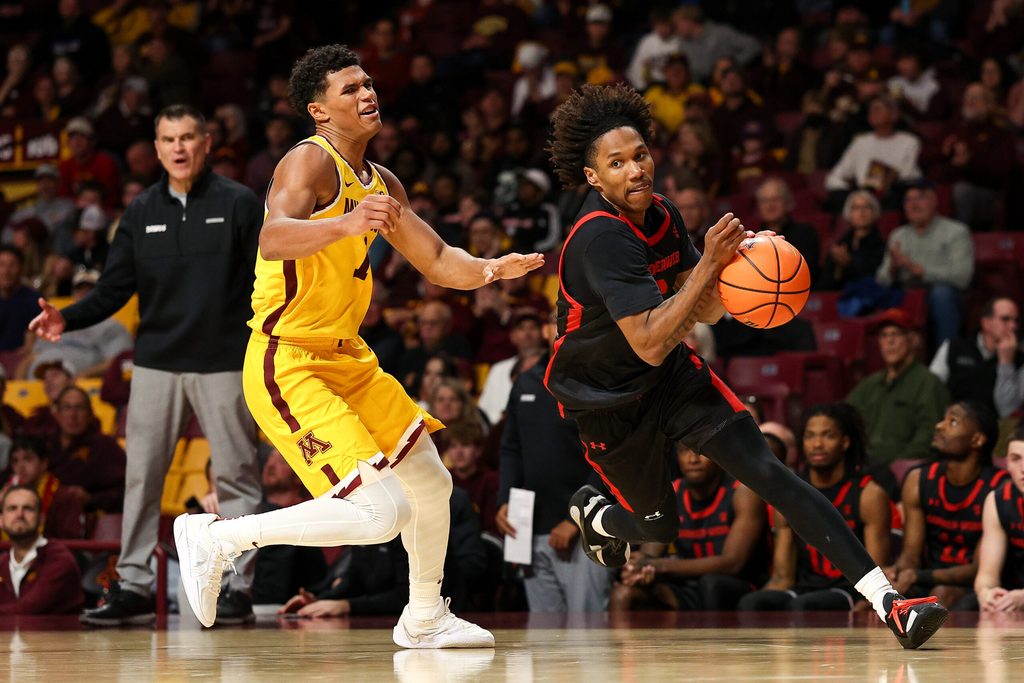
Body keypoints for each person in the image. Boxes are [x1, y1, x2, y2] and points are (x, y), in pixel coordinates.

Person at [545, 83, 945, 648]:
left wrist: (742, 268)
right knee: (660, 527)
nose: (635, 170)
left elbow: (701, 308)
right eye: (617, 163)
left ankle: (891, 604)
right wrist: (711, 260)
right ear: (594, 178)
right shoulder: (600, 239)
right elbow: (649, 341)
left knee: (770, 473)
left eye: (640, 155)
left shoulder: (661, 214)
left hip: (668, 376)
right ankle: (599, 517)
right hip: (605, 396)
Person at [169, 44, 542, 647]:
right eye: (350, 89)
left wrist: (495, 270)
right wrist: (345, 223)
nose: (368, 94)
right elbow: (271, 237)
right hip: (287, 360)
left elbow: (440, 259)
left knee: (432, 483)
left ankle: (424, 616)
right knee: (378, 514)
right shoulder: (307, 164)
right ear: (319, 111)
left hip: (349, 359)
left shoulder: (380, 181)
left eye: (369, 83)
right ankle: (219, 538)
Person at [30, 104, 264, 626]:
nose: (178, 148)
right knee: (142, 477)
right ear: (156, 149)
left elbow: (264, 282)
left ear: (206, 142)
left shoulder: (240, 204)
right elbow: (115, 289)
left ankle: (238, 585)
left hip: (224, 361)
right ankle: (133, 582)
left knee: (237, 475)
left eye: (187, 137)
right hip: (156, 362)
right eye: (167, 139)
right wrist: (65, 319)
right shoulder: (140, 211)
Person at [739, 404, 892, 611]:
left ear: (845, 442)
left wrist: (868, 604)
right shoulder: (788, 491)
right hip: (803, 589)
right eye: (810, 436)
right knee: (751, 604)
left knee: (804, 606)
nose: (817, 444)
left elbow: (878, 569)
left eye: (828, 436)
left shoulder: (869, 494)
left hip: (848, 591)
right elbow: (783, 577)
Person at [613, 443, 768, 612]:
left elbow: (732, 563)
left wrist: (657, 565)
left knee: (711, 584)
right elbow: (650, 553)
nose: (693, 459)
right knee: (624, 593)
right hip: (685, 587)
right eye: (685, 451)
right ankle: (617, 639)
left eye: (701, 452)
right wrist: (640, 570)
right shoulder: (671, 492)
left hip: (734, 587)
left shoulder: (742, 492)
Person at [886, 401, 1008, 609]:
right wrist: (897, 575)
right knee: (890, 597)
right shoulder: (918, 480)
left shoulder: (999, 489)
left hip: (978, 585)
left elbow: (979, 569)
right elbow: (911, 555)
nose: (939, 426)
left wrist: (916, 575)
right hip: (926, 579)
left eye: (952, 421)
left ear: (977, 439)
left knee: (941, 595)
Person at [875, 179, 974, 347]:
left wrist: (918, 269)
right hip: (908, 294)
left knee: (942, 294)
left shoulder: (956, 232)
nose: (913, 205)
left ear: (934, 201)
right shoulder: (898, 235)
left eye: (920, 198)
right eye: (908, 200)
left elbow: (962, 277)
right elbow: (881, 280)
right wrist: (892, 268)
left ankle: (945, 359)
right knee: (884, 297)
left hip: (943, 295)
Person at [847, 309, 949, 463]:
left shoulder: (928, 383)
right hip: (864, 468)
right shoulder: (870, 384)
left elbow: (929, 437)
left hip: (905, 471)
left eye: (896, 334)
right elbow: (844, 417)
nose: (889, 341)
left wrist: (897, 465)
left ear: (913, 339)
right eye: (884, 335)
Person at [930, 297, 1023, 418]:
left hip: (996, 429)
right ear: (986, 323)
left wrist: (1006, 363)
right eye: (1005, 319)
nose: (1013, 326)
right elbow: (930, 391)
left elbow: (1008, 411)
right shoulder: (954, 348)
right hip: (953, 423)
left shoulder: (1020, 360)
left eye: (1016, 321)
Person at [0, 485, 84, 615]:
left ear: (41, 519)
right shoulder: (2, 563)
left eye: (28, 509)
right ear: (1, 520)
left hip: (59, 635)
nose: (20, 514)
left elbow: (28, 610)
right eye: (12, 509)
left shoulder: (59, 559)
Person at [975, 425, 1024, 612]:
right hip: (1013, 595)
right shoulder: (998, 500)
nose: (1023, 469)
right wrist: (986, 593)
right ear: (1007, 464)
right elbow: (987, 574)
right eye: (1015, 459)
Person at [3, 435, 83, 539]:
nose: (21, 466)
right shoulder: (7, 496)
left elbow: (71, 541)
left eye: (28, 459)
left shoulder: (64, 497)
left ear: (44, 463)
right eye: (15, 461)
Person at [477, 309, 546, 425]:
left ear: (543, 333)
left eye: (533, 327)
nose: (527, 333)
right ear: (513, 336)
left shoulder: (552, 366)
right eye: (521, 328)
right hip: (500, 433)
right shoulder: (498, 370)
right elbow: (484, 411)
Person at [818, 190, 886, 292]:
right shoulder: (841, 245)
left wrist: (849, 264)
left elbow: (877, 279)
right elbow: (827, 283)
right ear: (849, 214)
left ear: (874, 212)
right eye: (856, 208)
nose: (861, 212)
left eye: (866, 207)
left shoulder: (881, 245)